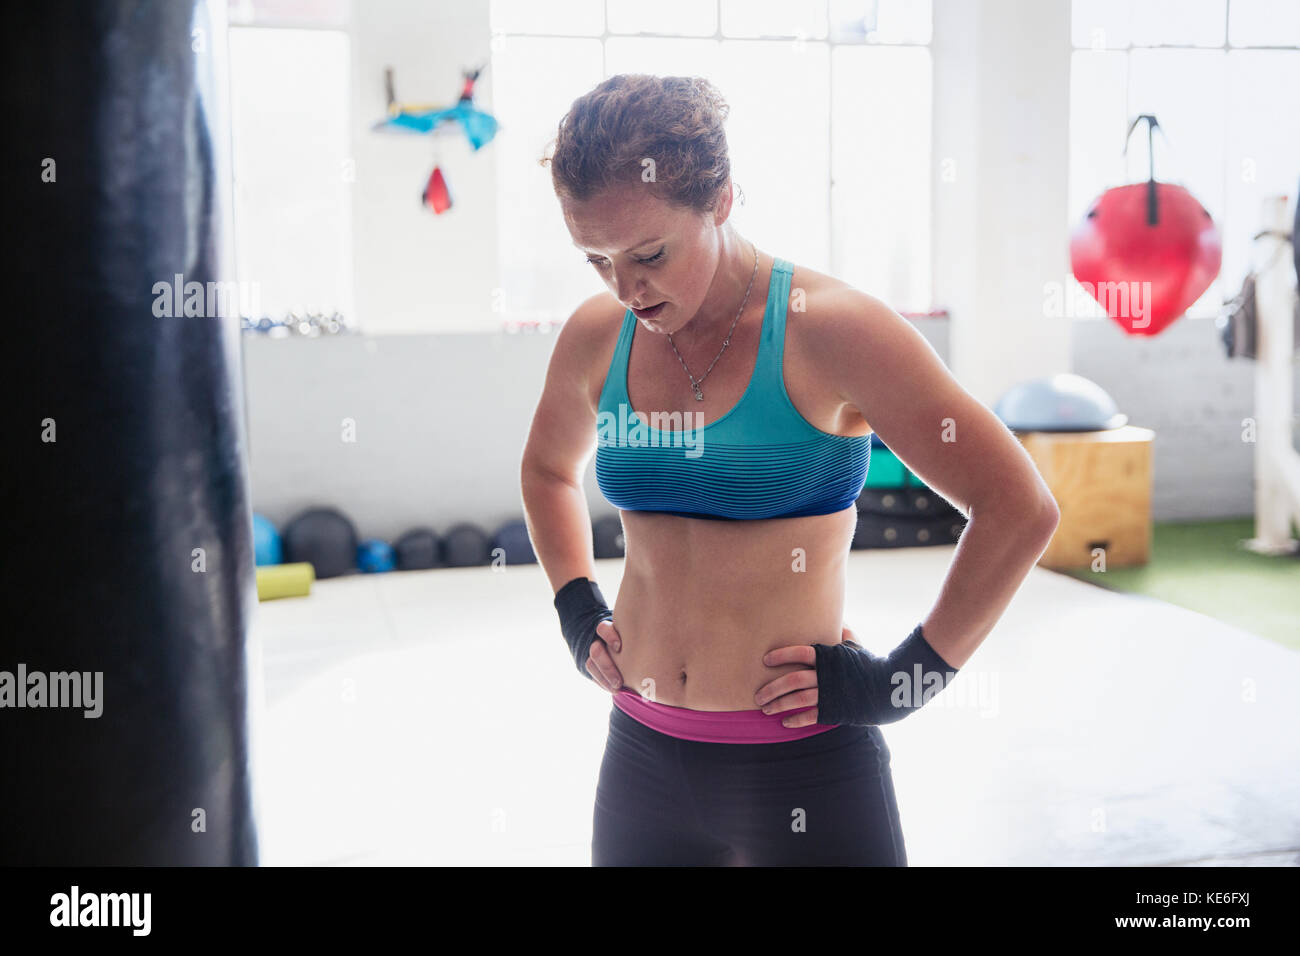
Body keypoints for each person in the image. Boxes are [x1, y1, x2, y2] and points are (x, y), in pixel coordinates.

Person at [520, 74, 1060, 866]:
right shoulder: (598, 335)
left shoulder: (833, 329)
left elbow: (1018, 505)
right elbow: (545, 469)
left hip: (806, 769)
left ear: (723, 200)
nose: (625, 287)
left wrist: (901, 682)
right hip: (641, 759)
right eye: (596, 258)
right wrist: (575, 605)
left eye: (651, 254)